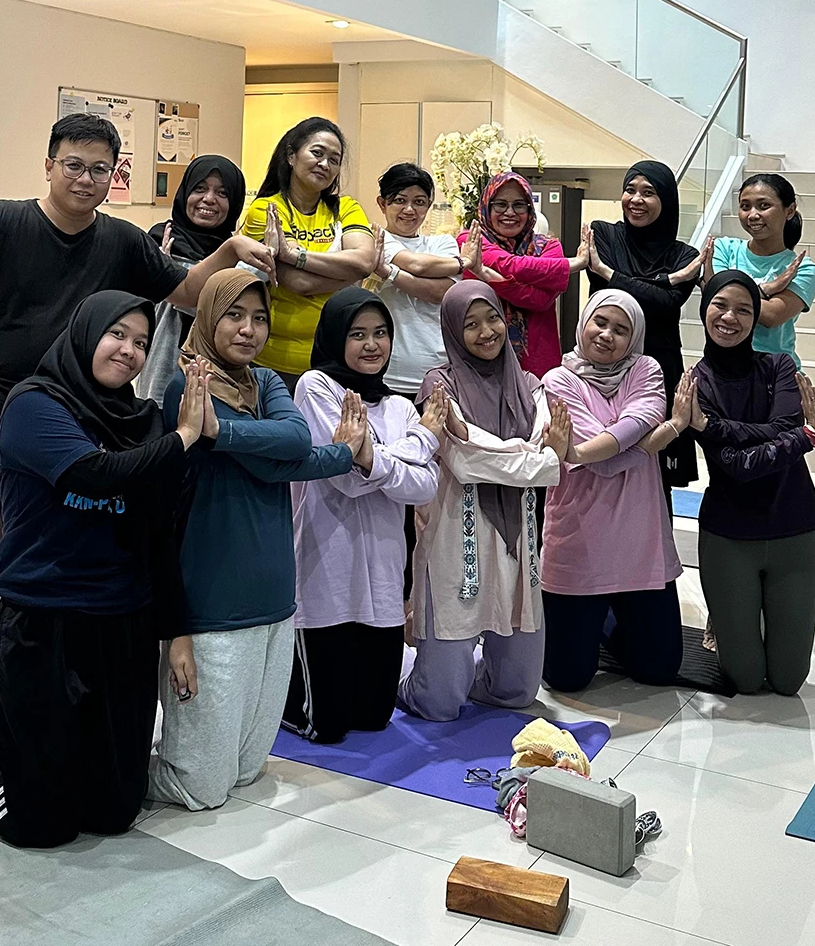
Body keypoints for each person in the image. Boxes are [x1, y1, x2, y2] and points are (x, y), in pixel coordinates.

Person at [0, 115, 273, 560]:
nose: (85, 179)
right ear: (49, 166)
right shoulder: (3, 219)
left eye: (99, 169)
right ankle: (12, 564)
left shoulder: (124, 240)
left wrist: (230, 250)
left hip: (86, 395)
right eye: (74, 165)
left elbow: (187, 290)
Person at [0, 291, 208, 847]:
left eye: (142, 342)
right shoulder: (33, 404)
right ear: (84, 334)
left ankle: (30, 748)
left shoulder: (145, 422)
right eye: (116, 334)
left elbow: (160, 532)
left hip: (122, 618)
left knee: (114, 812)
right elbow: (93, 475)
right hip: (39, 614)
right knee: (37, 828)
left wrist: (176, 632)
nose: (129, 350)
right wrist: (184, 438)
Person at [147, 269, 359, 809]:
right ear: (208, 318)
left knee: (246, 770)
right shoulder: (186, 385)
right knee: (200, 787)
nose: (249, 329)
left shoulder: (264, 382)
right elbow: (271, 464)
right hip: (213, 602)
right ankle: (111, 770)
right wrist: (341, 454)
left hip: (274, 598)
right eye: (234, 315)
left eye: (260, 318)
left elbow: (294, 439)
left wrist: (223, 432)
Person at [398, 281, 571, 722]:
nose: (486, 332)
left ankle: (463, 673)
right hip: (457, 539)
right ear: (453, 330)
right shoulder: (438, 384)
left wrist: (505, 450)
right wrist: (543, 461)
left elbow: (487, 450)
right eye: (470, 324)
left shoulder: (529, 384)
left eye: (492, 318)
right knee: (438, 705)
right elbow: (466, 461)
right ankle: (406, 677)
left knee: (517, 692)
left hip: (518, 541)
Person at [283, 287, 443, 743]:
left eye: (380, 333)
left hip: (384, 580)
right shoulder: (316, 387)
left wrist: (371, 457)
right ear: (337, 337)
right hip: (327, 578)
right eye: (357, 334)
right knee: (327, 726)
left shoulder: (399, 406)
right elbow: (345, 479)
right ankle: (270, 702)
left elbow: (425, 486)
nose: (371, 345)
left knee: (375, 717)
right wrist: (421, 442)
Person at [689, 270, 815, 696]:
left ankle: (755, 615)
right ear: (704, 309)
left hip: (793, 525)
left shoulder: (779, 366)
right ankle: (735, 620)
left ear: (755, 318)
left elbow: (785, 426)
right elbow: (737, 466)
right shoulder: (696, 382)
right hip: (729, 534)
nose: (730, 317)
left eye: (743, 309)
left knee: (788, 679)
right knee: (746, 679)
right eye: (720, 305)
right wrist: (804, 437)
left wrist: (713, 426)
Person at [540, 290, 684, 692]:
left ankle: (607, 619)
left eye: (621, 330)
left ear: (633, 338)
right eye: (600, 323)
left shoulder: (645, 369)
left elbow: (634, 423)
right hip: (579, 542)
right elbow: (608, 455)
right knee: (566, 678)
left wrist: (578, 454)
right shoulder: (557, 380)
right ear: (583, 324)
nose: (607, 335)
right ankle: (598, 618)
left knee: (658, 669)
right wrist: (666, 433)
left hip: (640, 543)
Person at [586, 160, 707, 497]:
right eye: (630, 190)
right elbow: (620, 300)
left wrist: (610, 273)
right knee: (599, 467)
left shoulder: (685, 254)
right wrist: (670, 279)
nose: (636, 199)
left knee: (656, 479)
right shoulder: (604, 234)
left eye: (649, 192)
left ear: (666, 200)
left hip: (659, 367)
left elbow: (665, 305)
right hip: (605, 366)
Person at [241, 117, 377, 391]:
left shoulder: (346, 208)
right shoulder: (267, 209)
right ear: (291, 155)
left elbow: (364, 260)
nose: (325, 164)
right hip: (274, 360)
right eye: (317, 153)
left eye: (334, 160)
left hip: (335, 359)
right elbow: (298, 282)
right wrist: (351, 277)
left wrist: (295, 256)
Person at [137, 155, 247, 404]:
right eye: (199, 188)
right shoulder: (159, 240)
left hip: (220, 377)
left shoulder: (238, 254)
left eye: (222, 193)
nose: (209, 199)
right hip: (162, 370)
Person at [463, 170, 589, 380]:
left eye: (519, 205)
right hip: (479, 362)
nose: (509, 212)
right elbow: (508, 264)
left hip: (538, 364)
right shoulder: (470, 241)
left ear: (530, 209)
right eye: (500, 204)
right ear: (486, 206)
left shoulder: (549, 247)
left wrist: (488, 276)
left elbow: (539, 300)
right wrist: (572, 264)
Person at [370, 162, 478, 395]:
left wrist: (389, 272)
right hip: (388, 372)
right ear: (382, 203)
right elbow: (416, 265)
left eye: (419, 202)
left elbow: (441, 292)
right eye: (400, 200)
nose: (409, 210)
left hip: (441, 372)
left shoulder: (443, 243)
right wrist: (464, 262)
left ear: (428, 205)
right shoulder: (376, 238)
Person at [706, 173, 815, 369]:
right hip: (721, 367)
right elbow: (714, 298)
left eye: (764, 206)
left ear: (790, 210)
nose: (752, 215)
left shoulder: (803, 268)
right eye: (745, 206)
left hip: (774, 371)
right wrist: (768, 288)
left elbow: (772, 317)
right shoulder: (724, 248)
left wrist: (732, 296)